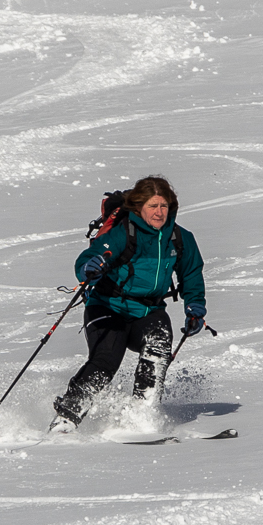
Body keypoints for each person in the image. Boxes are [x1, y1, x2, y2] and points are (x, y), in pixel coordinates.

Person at [52, 175, 206, 430]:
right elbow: (89, 257)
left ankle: (140, 418)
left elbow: (191, 274)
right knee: (105, 360)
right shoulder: (123, 234)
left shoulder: (180, 238)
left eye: (164, 206)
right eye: (152, 206)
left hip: (149, 310)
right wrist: (90, 267)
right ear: (139, 208)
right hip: (107, 306)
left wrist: (195, 308)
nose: (159, 212)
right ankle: (66, 418)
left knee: (158, 348)